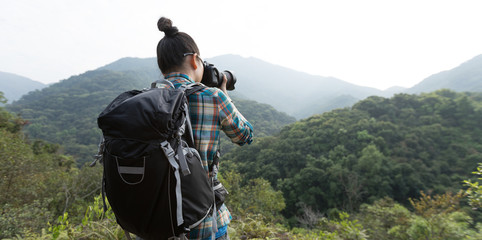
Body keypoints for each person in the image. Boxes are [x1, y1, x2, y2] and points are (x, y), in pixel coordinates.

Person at [156, 17, 254, 240]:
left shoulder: (146, 100)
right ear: (193, 60)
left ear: (162, 68)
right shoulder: (212, 97)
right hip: (202, 222)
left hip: (156, 221)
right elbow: (245, 135)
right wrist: (224, 94)